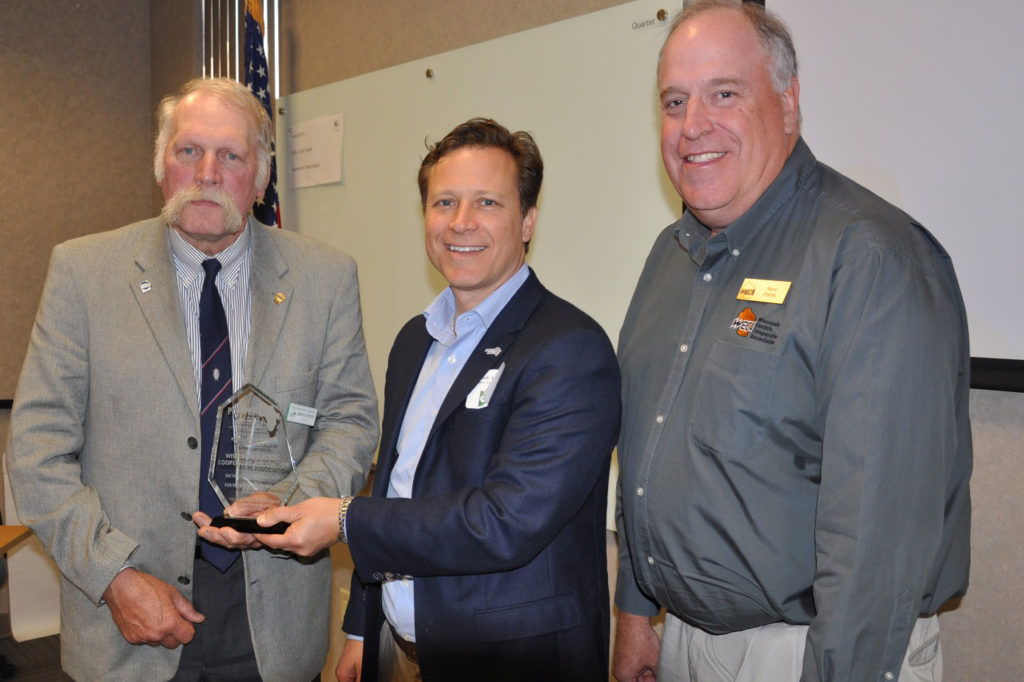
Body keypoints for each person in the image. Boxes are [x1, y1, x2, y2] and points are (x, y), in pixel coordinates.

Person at [612, 3, 972, 681]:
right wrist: (636, 611)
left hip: (813, 651)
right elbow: (644, 447)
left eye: (724, 94)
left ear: (788, 102)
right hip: (685, 638)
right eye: (675, 101)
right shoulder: (671, 254)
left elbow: (876, 540)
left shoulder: (871, 257)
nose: (693, 127)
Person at [6, 77, 379, 681]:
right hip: (125, 609)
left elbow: (350, 422)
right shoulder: (82, 272)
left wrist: (286, 503)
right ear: (162, 166)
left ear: (260, 179)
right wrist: (113, 577)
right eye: (188, 151)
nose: (207, 172)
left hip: (274, 613)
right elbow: (36, 450)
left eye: (230, 155)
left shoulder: (325, 278)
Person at [248, 118, 621, 682]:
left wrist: (344, 519)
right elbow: (399, 486)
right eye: (444, 202)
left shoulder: (569, 349)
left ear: (528, 221)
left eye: (487, 203)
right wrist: (360, 627)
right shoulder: (414, 339)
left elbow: (505, 521)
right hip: (401, 652)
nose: (461, 223)